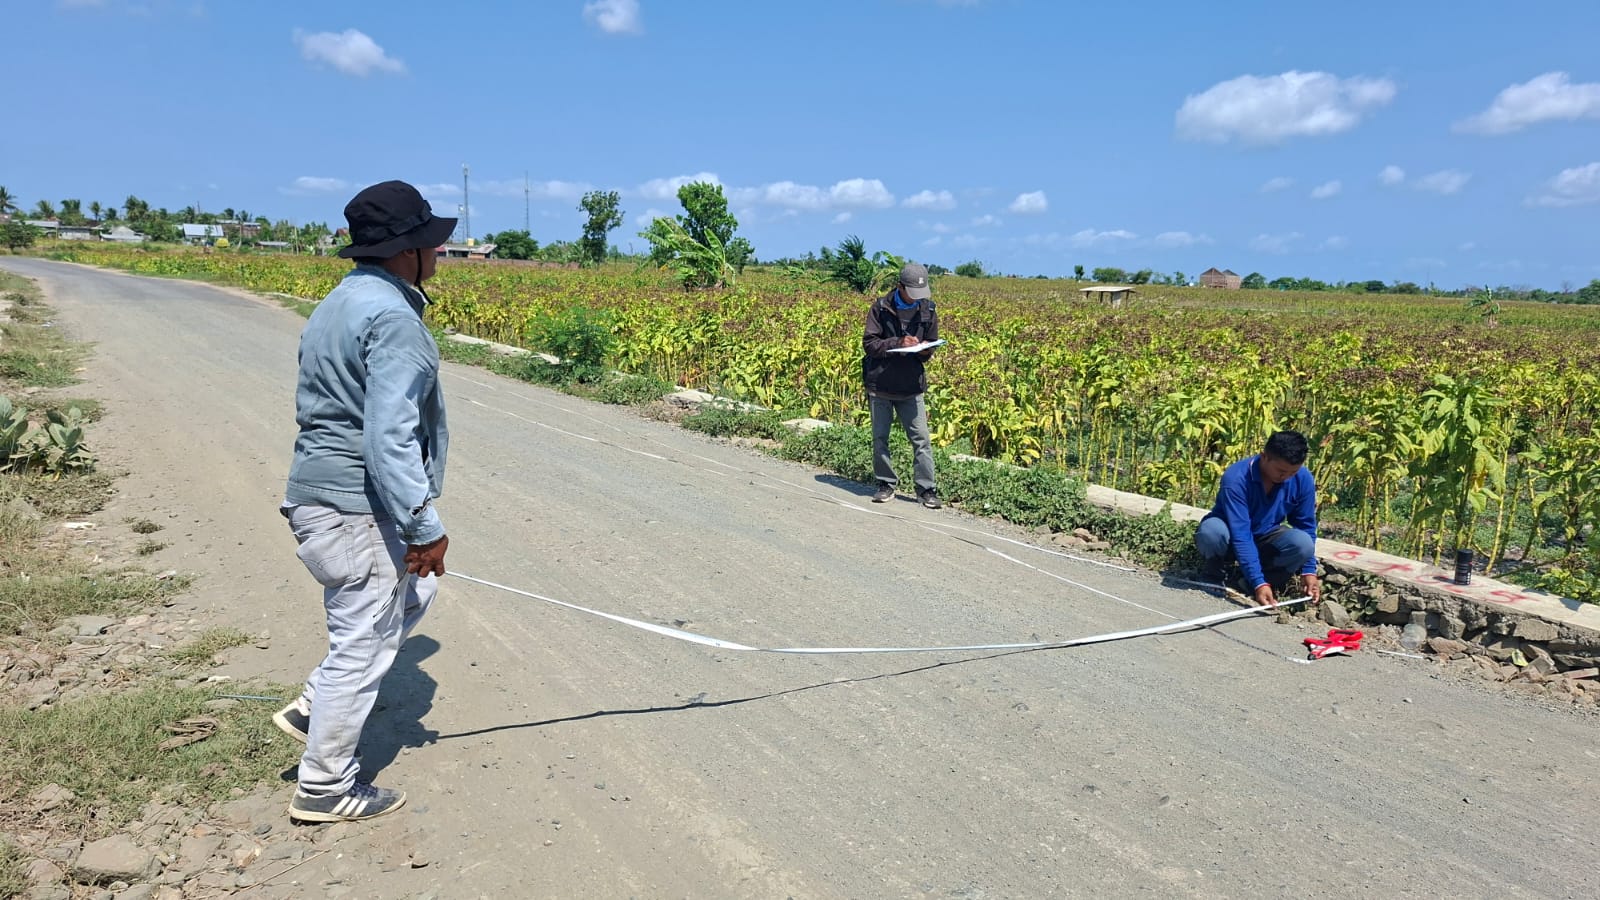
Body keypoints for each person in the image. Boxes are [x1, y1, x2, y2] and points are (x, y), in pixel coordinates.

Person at [272, 180, 455, 823]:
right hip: (352, 503)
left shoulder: (339, 302)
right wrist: (423, 523)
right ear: (408, 252)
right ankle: (325, 788)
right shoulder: (395, 320)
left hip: (320, 494)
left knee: (413, 593)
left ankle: (312, 707)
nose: (439, 254)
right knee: (365, 640)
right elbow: (389, 435)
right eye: (433, 244)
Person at [1195, 430, 1323, 606]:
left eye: (1292, 473)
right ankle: (1214, 574)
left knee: (1303, 543)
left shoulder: (1303, 478)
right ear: (1264, 456)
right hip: (1231, 533)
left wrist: (1309, 571)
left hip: (1266, 536)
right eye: (1281, 471)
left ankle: (1253, 583)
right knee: (1211, 532)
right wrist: (1258, 581)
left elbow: (1306, 526)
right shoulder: (1236, 478)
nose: (1285, 477)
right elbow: (1241, 534)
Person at [863, 262, 942, 508]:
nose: (917, 299)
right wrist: (898, 342)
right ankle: (886, 483)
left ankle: (926, 489)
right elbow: (870, 344)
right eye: (912, 293)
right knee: (880, 438)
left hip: (911, 386)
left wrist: (923, 350)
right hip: (881, 384)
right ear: (899, 287)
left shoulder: (928, 310)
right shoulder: (880, 308)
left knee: (921, 440)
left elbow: (930, 344)